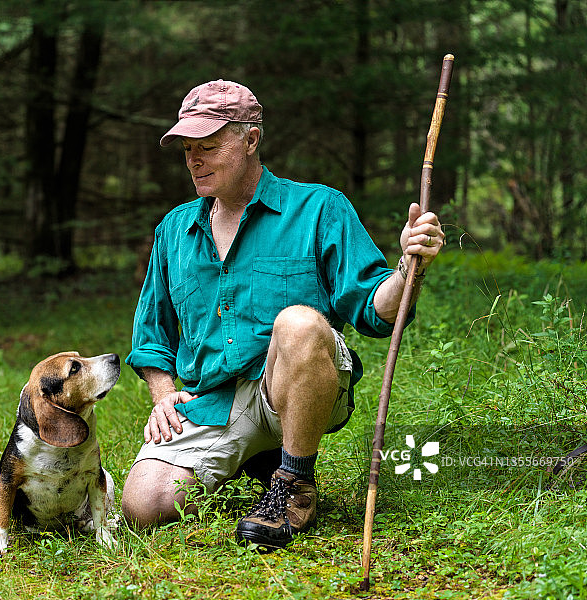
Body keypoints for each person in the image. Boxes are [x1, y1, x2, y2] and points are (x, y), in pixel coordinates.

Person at [121, 80, 444, 549]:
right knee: (144, 507)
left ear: (250, 140)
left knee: (298, 321)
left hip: (296, 388)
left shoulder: (318, 208)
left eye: (208, 146)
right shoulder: (174, 229)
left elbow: (376, 310)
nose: (194, 159)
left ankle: (293, 484)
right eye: (188, 148)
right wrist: (164, 394)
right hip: (214, 399)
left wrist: (407, 266)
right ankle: (255, 462)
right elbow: (151, 333)